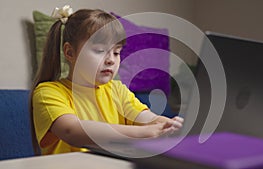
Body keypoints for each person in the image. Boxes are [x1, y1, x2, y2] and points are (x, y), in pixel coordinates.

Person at [30, 5, 183, 155]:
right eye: (100, 51)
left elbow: (147, 118)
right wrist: (143, 133)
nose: (111, 60)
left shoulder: (118, 90)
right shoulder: (47, 92)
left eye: (116, 52)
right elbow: (71, 130)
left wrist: (167, 125)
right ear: (70, 52)